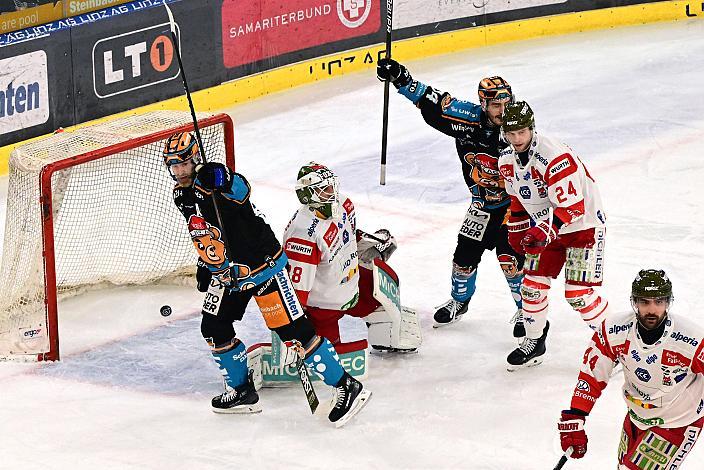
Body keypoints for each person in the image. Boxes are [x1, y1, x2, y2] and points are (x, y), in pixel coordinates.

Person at [162, 132, 370, 425]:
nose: (179, 172)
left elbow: (240, 189)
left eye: (183, 164)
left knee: (294, 334)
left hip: (263, 267)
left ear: (196, 159)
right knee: (213, 327)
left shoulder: (215, 180)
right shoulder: (180, 194)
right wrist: (205, 262)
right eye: (173, 166)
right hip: (229, 272)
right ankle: (241, 391)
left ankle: (345, 386)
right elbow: (206, 230)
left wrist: (220, 177)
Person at [376, 58, 525, 336]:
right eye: (495, 105)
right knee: (463, 257)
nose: (503, 112)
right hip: (481, 204)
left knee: (510, 258)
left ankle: (526, 309)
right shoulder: (465, 117)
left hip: (514, 205)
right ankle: (460, 301)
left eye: (506, 104)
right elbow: (428, 98)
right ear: (483, 105)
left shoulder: (519, 128)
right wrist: (399, 77)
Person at [498, 100, 609, 370]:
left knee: (578, 294)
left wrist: (543, 229)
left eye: (521, 132)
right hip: (546, 230)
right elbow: (517, 199)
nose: (517, 139)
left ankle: (615, 345)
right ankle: (535, 342)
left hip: (583, 227)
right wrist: (517, 225)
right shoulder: (506, 161)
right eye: (511, 134)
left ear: (532, 129)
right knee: (531, 288)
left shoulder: (554, 157)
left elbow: (573, 206)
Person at [558, 269, 704, 468]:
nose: (652, 309)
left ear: (668, 303)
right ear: (634, 302)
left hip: (679, 421)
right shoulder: (613, 330)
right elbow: (592, 375)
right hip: (637, 416)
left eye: (659, 302)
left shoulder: (691, 340)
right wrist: (576, 415)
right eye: (644, 302)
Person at [282, 162, 422, 353]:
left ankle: (383, 337)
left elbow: (349, 236)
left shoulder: (344, 204)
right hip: (324, 306)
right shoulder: (303, 233)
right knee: (324, 353)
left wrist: (367, 244)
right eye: (324, 190)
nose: (332, 192)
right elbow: (297, 290)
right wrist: (298, 330)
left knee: (388, 284)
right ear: (307, 195)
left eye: (332, 186)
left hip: (350, 283)